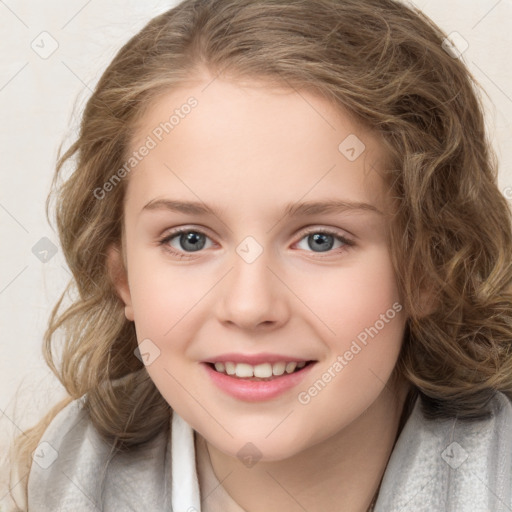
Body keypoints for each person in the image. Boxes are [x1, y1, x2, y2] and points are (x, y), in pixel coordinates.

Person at [7, 0, 512, 510]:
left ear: (430, 268)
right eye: (190, 239)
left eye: (321, 239)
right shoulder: (60, 483)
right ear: (124, 278)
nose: (249, 307)